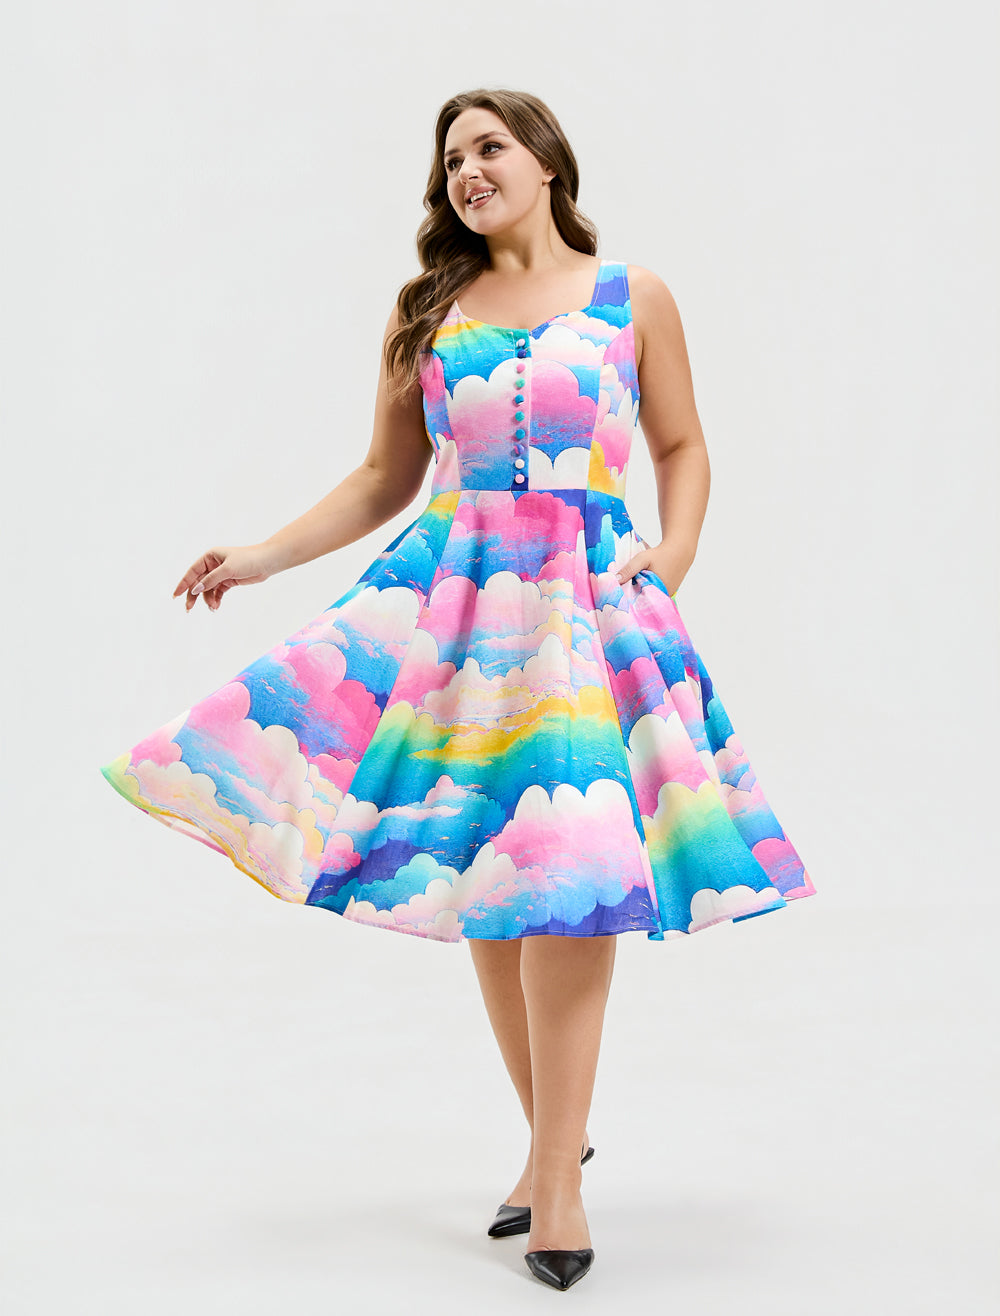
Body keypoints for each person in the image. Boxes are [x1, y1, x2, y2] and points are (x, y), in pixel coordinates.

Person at [100, 87, 816, 1292]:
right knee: (491, 873)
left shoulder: (632, 295)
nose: (467, 170)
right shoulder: (426, 308)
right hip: (456, 612)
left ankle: (557, 1179)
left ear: (547, 161)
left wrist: (673, 553)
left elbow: (683, 445)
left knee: (571, 879)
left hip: (588, 609)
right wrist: (261, 554)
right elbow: (384, 475)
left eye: (489, 146)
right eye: (450, 159)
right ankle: (552, 1148)